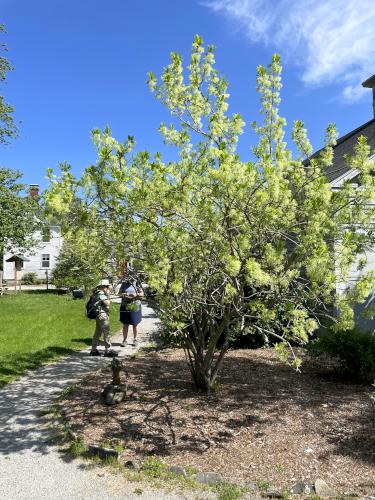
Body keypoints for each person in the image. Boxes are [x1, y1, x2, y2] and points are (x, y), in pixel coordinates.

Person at [90, 280, 118, 357]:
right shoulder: (101, 293)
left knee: (97, 333)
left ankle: (93, 350)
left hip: (98, 315)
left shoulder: (96, 293)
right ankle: (107, 351)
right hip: (102, 315)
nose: (108, 288)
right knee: (107, 332)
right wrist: (108, 295)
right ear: (103, 287)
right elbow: (107, 303)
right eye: (107, 286)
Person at [119, 279, 144, 346]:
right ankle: (124, 340)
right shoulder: (124, 283)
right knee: (125, 324)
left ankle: (135, 339)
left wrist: (135, 294)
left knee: (135, 323)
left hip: (135, 305)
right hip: (125, 305)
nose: (130, 278)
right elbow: (119, 294)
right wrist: (125, 294)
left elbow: (142, 294)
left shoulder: (137, 283)